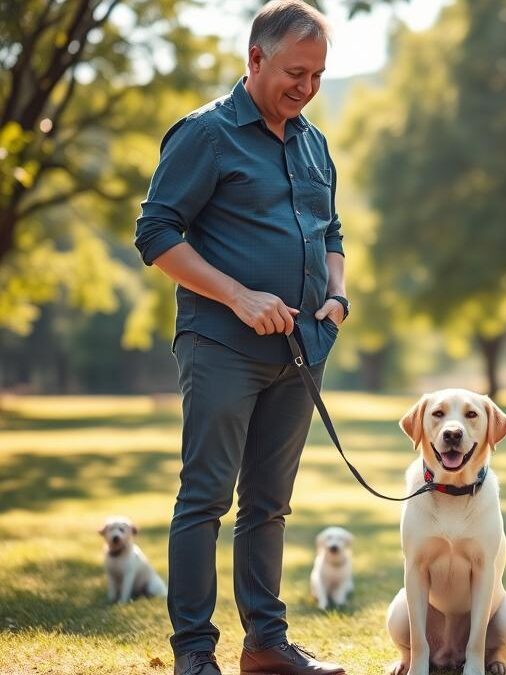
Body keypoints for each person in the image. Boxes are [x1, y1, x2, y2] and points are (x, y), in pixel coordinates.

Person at [134, 2, 348, 674]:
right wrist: (239, 294)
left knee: (269, 504)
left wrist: (336, 296)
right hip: (222, 347)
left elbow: (331, 232)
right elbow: (157, 234)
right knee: (205, 498)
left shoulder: (313, 142)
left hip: (300, 354)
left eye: (316, 75)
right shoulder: (205, 134)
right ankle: (195, 653)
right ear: (254, 59)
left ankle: (266, 645)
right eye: (295, 72)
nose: (306, 87)